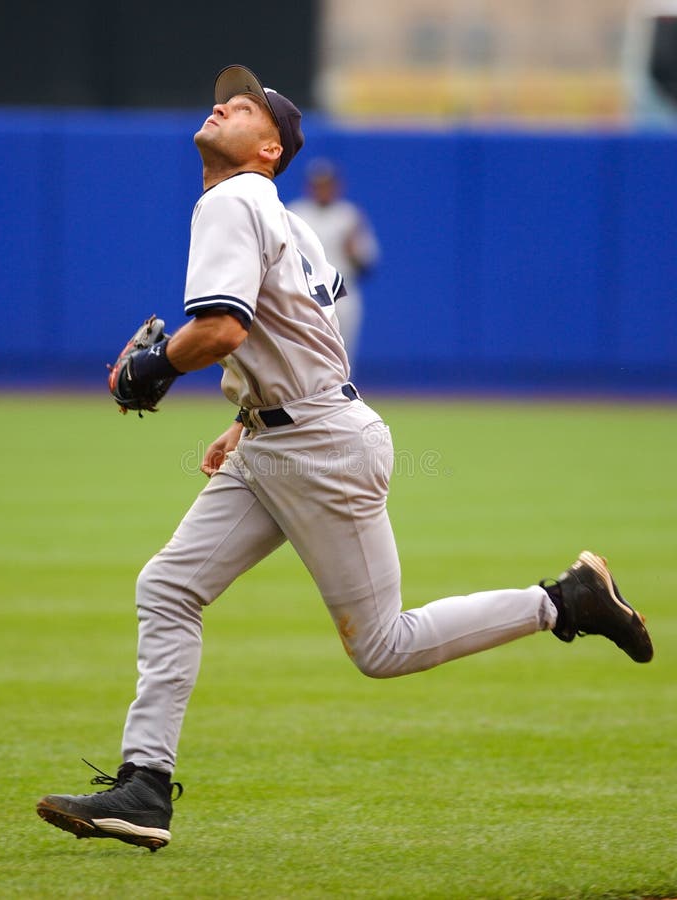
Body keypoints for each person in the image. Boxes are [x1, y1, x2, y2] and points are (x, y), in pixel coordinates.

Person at [36, 64, 654, 853]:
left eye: (247, 105)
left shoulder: (231, 200)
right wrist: (247, 416)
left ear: (269, 149)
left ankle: (565, 602)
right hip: (284, 436)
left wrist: (147, 370)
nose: (223, 102)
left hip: (318, 445)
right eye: (224, 96)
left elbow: (223, 329)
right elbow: (293, 336)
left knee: (383, 648)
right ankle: (145, 788)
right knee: (168, 587)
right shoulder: (282, 217)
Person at [288, 158, 379, 364]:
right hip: (305, 295)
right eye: (318, 184)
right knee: (304, 360)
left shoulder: (348, 215)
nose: (323, 189)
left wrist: (353, 251)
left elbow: (367, 264)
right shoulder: (295, 213)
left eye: (327, 184)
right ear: (309, 186)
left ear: (336, 186)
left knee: (342, 359)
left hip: (343, 294)